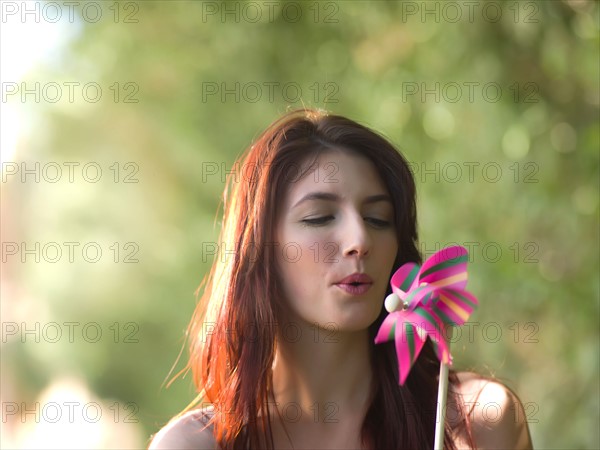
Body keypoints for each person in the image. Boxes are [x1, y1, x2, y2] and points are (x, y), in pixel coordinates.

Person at [148, 108, 534, 449]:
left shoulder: (477, 423)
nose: (360, 240)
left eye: (378, 219)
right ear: (261, 249)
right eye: (319, 217)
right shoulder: (196, 446)